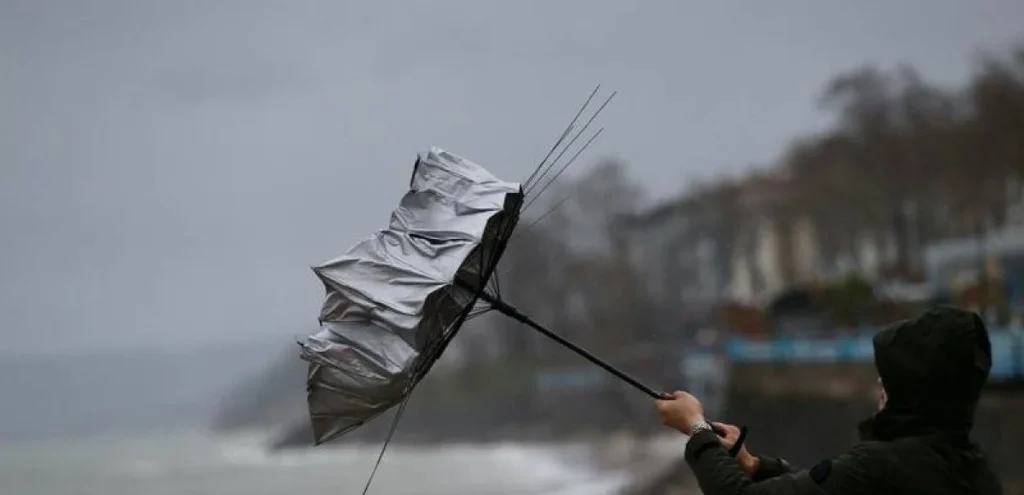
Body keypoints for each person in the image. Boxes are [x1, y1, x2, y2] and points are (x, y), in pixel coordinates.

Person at [655, 307, 1002, 495]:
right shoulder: (973, 469)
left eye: (893, 376)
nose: (880, 382)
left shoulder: (883, 464)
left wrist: (697, 428)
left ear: (917, 389)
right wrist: (755, 466)